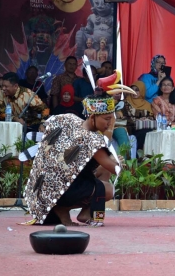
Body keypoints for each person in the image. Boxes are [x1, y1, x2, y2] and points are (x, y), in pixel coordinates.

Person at [23, 92, 123, 226]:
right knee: (109, 189)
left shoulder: (69, 119)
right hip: (59, 190)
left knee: (104, 172)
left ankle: (84, 212)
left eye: (112, 119)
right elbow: (116, 169)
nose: (110, 123)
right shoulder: (92, 139)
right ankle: (62, 208)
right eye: (107, 119)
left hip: (43, 190)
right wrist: (115, 157)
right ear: (93, 116)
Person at [122, 81, 155, 150]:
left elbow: (152, 118)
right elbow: (123, 118)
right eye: (132, 90)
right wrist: (137, 121)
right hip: (130, 130)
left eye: (137, 90)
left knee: (149, 132)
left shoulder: (147, 104)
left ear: (142, 91)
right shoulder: (124, 103)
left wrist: (146, 119)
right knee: (143, 133)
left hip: (145, 127)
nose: (134, 92)